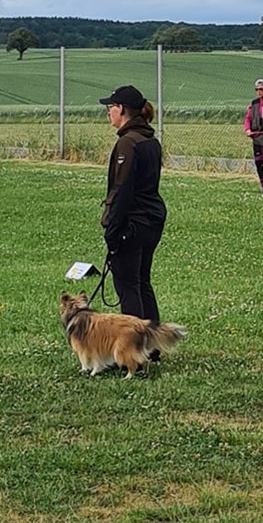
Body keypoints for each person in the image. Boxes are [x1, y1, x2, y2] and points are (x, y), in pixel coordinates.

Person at [99, 85, 167, 357]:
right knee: (142, 282)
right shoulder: (150, 139)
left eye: (110, 108)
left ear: (123, 110)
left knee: (128, 286)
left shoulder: (127, 143)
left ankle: (133, 352)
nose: (108, 112)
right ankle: (153, 345)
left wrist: (112, 229)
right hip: (152, 219)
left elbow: (122, 188)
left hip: (133, 222)